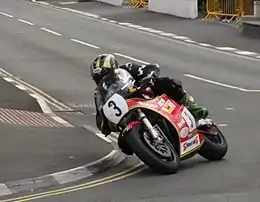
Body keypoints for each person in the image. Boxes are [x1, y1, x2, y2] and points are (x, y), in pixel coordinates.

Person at [90, 54, 209, 136]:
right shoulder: (98, 93)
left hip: (143, 95)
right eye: (99, 78)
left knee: (168, 83)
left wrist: (148, 77)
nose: (103, 79)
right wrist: (106, 123)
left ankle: (193, 110)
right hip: (127, 111)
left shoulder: (127, 68)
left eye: (106, 74)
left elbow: (150, 68)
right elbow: (99, 117)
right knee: (124, 145)